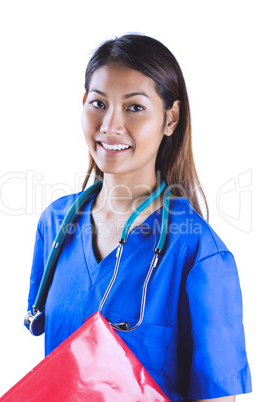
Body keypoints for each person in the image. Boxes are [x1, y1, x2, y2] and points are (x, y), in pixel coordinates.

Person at [26, 34, 252, 401]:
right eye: (98, 103)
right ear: (83, 104)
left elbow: (219, 395)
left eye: (134, 108)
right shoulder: (56, 224)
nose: (110, 124)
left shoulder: (196, 249)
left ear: (170, 118)